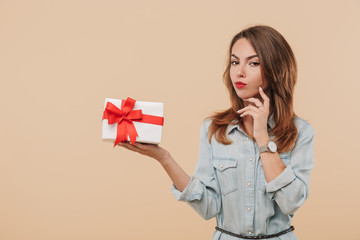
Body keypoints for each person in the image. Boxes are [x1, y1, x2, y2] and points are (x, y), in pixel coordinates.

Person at [118, 25, 315, 240]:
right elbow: (208, 207)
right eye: (234, 62)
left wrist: (263, 138)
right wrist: (164, 158)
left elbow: (290, 203)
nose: (239, 72)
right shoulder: (214, 130)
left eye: (254, 63)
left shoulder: (301, 132)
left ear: (276, 69)